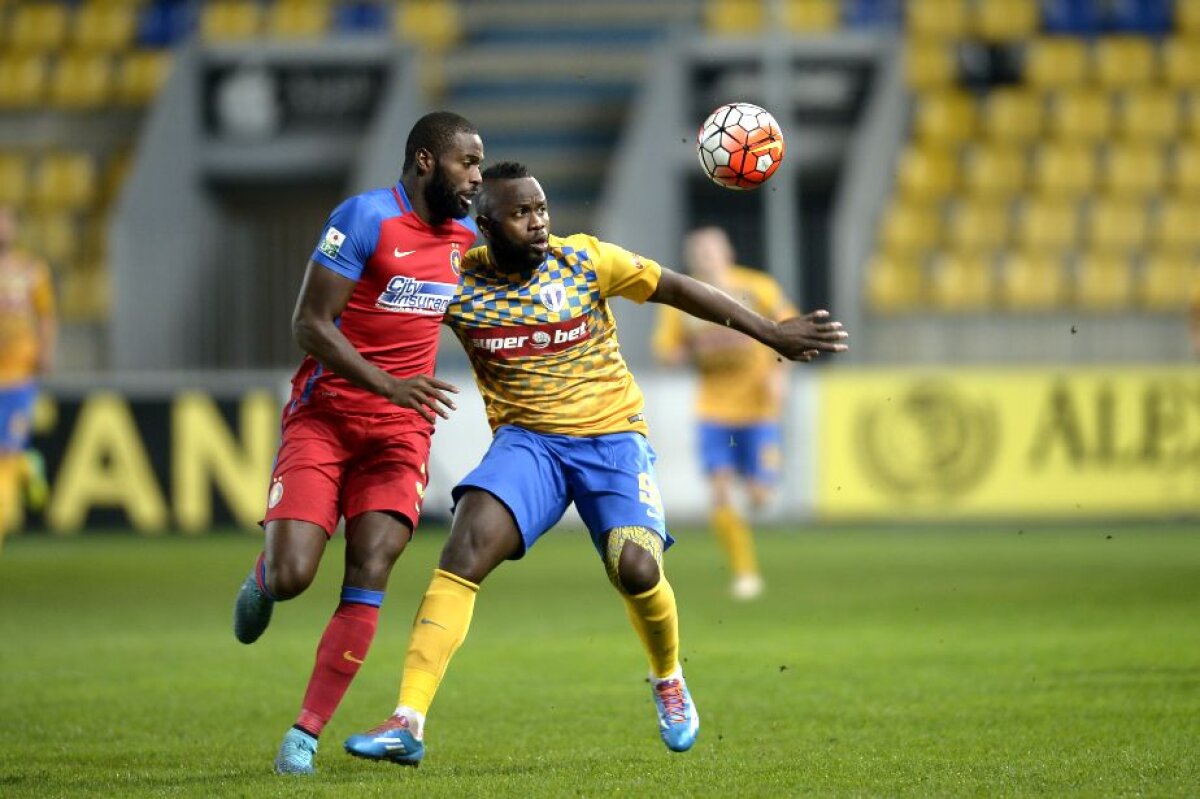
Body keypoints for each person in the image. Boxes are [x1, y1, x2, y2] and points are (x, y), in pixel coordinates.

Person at [342, 162, 847, 766]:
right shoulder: (456, 283)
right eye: (521, 214)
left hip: (612, 438)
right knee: (464, 548)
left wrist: (769, 333)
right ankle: (408, 720)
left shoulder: (583, 260)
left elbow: (675, 287)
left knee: (634, 567)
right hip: (529, 442)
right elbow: (378, 311)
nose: (538, 224)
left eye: (543, 210)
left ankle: (668, 678)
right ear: (485, 225)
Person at [229, 111, 483, 775]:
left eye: (481, 165)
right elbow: (308, 324)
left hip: (401, 431)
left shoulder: (466, 239)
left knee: (372, 565)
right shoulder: (366, 217)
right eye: (467, 163)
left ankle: (303, 735)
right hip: (327, 415)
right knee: (293, 574)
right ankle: (263, 576)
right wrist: (387, 382)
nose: (476, 177)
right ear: (427, 160)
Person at [652, 227, 797, 600]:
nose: (707, 257)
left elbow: (789, 329)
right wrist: (682, 352)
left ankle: (756, 494)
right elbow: (666, 350)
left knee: (760, 495)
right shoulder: (687, 299)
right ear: (692, 259)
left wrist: (779, 373)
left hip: (758, 408)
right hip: (714, 409)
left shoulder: (758, 287)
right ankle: (745, 572)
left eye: (712, 250)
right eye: (699, 252)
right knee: (719, 490)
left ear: (727, 251)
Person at [0, 206, 55, 552]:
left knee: (6, 453)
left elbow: (46, 315)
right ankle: (29, 468)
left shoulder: (32, 271)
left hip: (19, 378)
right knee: (8, 458)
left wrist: (45, 352)